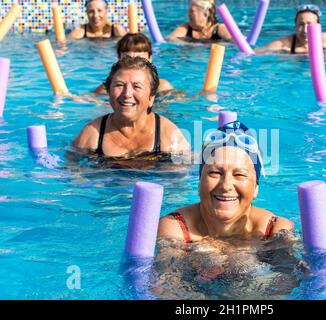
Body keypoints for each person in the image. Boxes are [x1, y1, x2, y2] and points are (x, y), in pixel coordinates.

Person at [158, 120, 294, 244]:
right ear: (199, 183)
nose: (226, 185)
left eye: (239, 174)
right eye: (215, 173)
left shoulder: (275, 230)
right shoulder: (175, 228)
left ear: (256, 188)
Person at [72, 56, 190, 162]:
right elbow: (73, 175)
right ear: (108, 92)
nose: (127, 94)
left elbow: (179, 182)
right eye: (119, 85)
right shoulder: (92, 134)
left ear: (151, 98)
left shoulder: (169, 137)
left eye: (136, 86)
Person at [93, 33, 173, 94]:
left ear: (150, 58)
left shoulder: (162, 87)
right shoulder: (109, 87)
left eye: (139, 59)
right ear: (118, 59)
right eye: (128, 59)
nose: (133, 64)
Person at [261, 4, 326, 54]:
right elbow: (255, 53)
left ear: (318, 26)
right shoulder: (286, 43)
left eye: (310, 25)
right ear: (295, 26)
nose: (305, 30)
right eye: (301, 24)